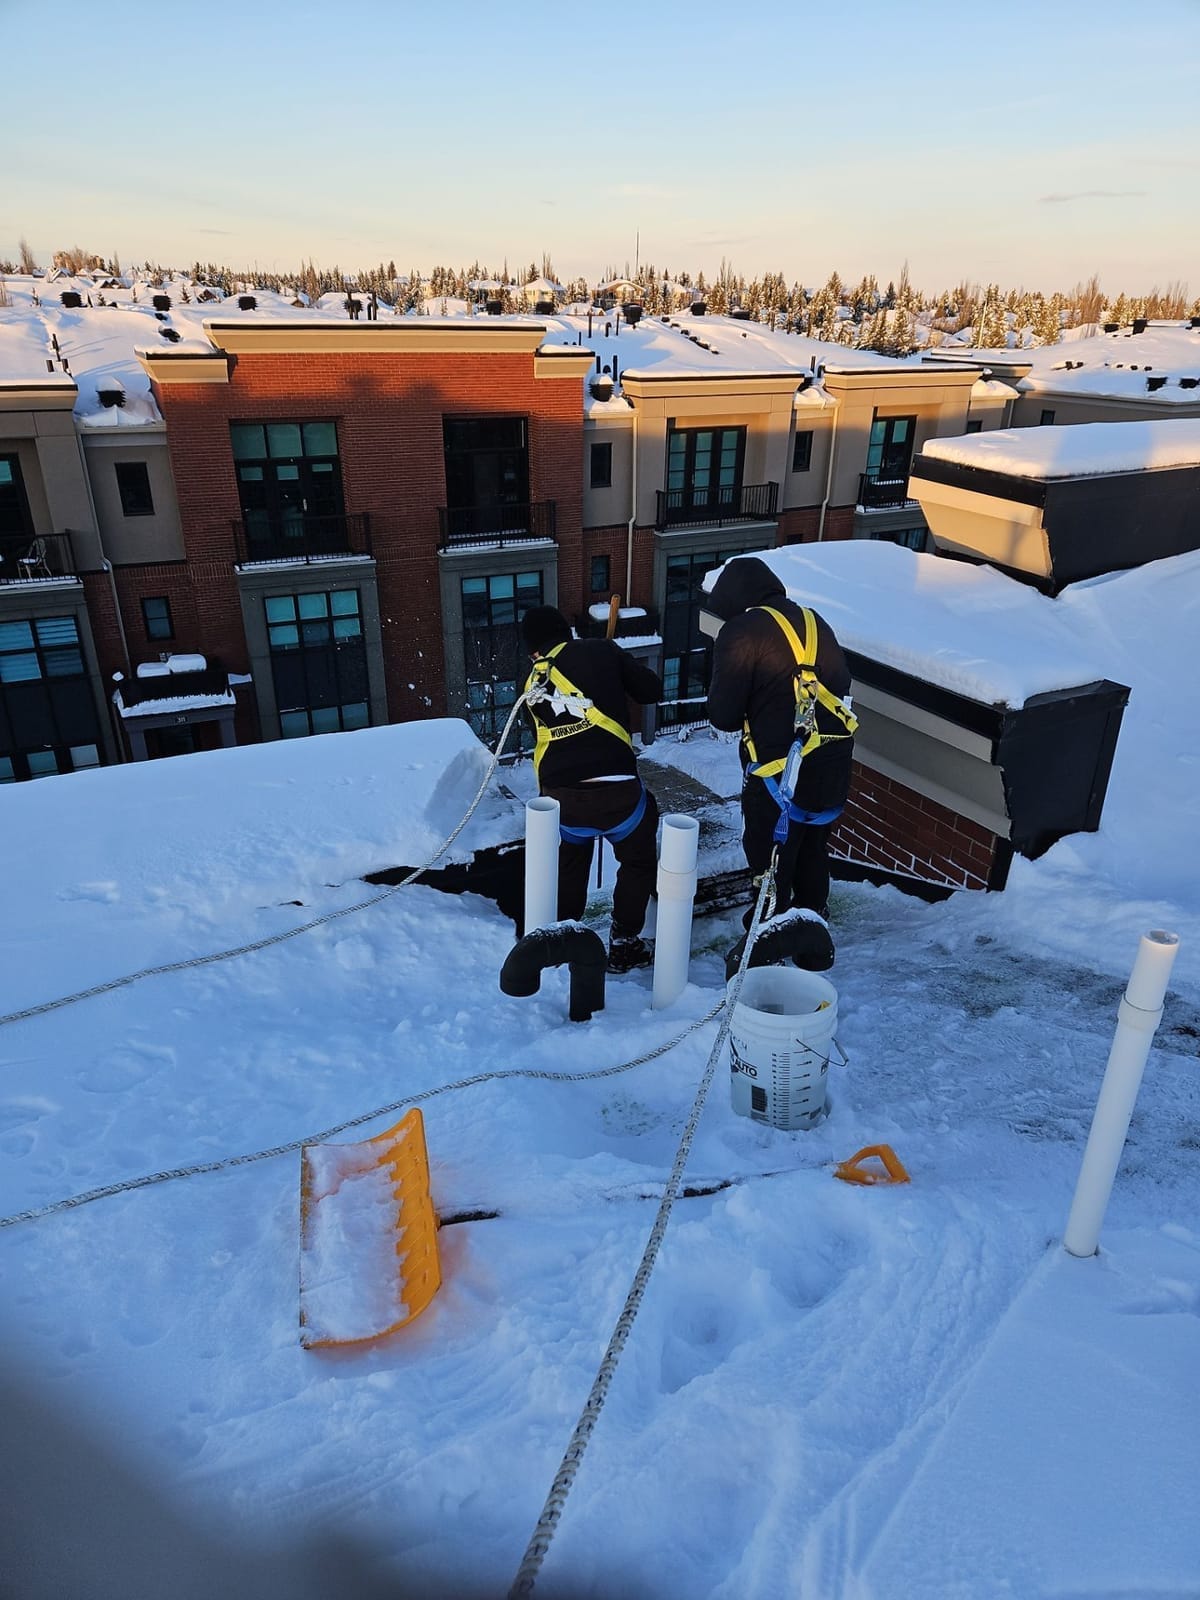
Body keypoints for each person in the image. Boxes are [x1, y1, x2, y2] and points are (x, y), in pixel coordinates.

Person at [703, 555, 856, 933]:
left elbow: (723, 714)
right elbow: (841, 684)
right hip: (832, 766)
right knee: (812, 851)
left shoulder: (741, 631)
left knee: (771, 863)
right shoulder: (814, 621)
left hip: (778, 775)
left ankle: (769, 938)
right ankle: (812, 939)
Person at [521, 605, 662, 973]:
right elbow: (651, 690)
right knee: (637, 860)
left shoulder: (533, 683)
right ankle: (624, 941)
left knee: (571, 862)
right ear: (566, 632)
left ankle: (567, 939)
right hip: (619, 796)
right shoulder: (600, 649)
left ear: (534, 651)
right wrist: (617, 667)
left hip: (564, 803)